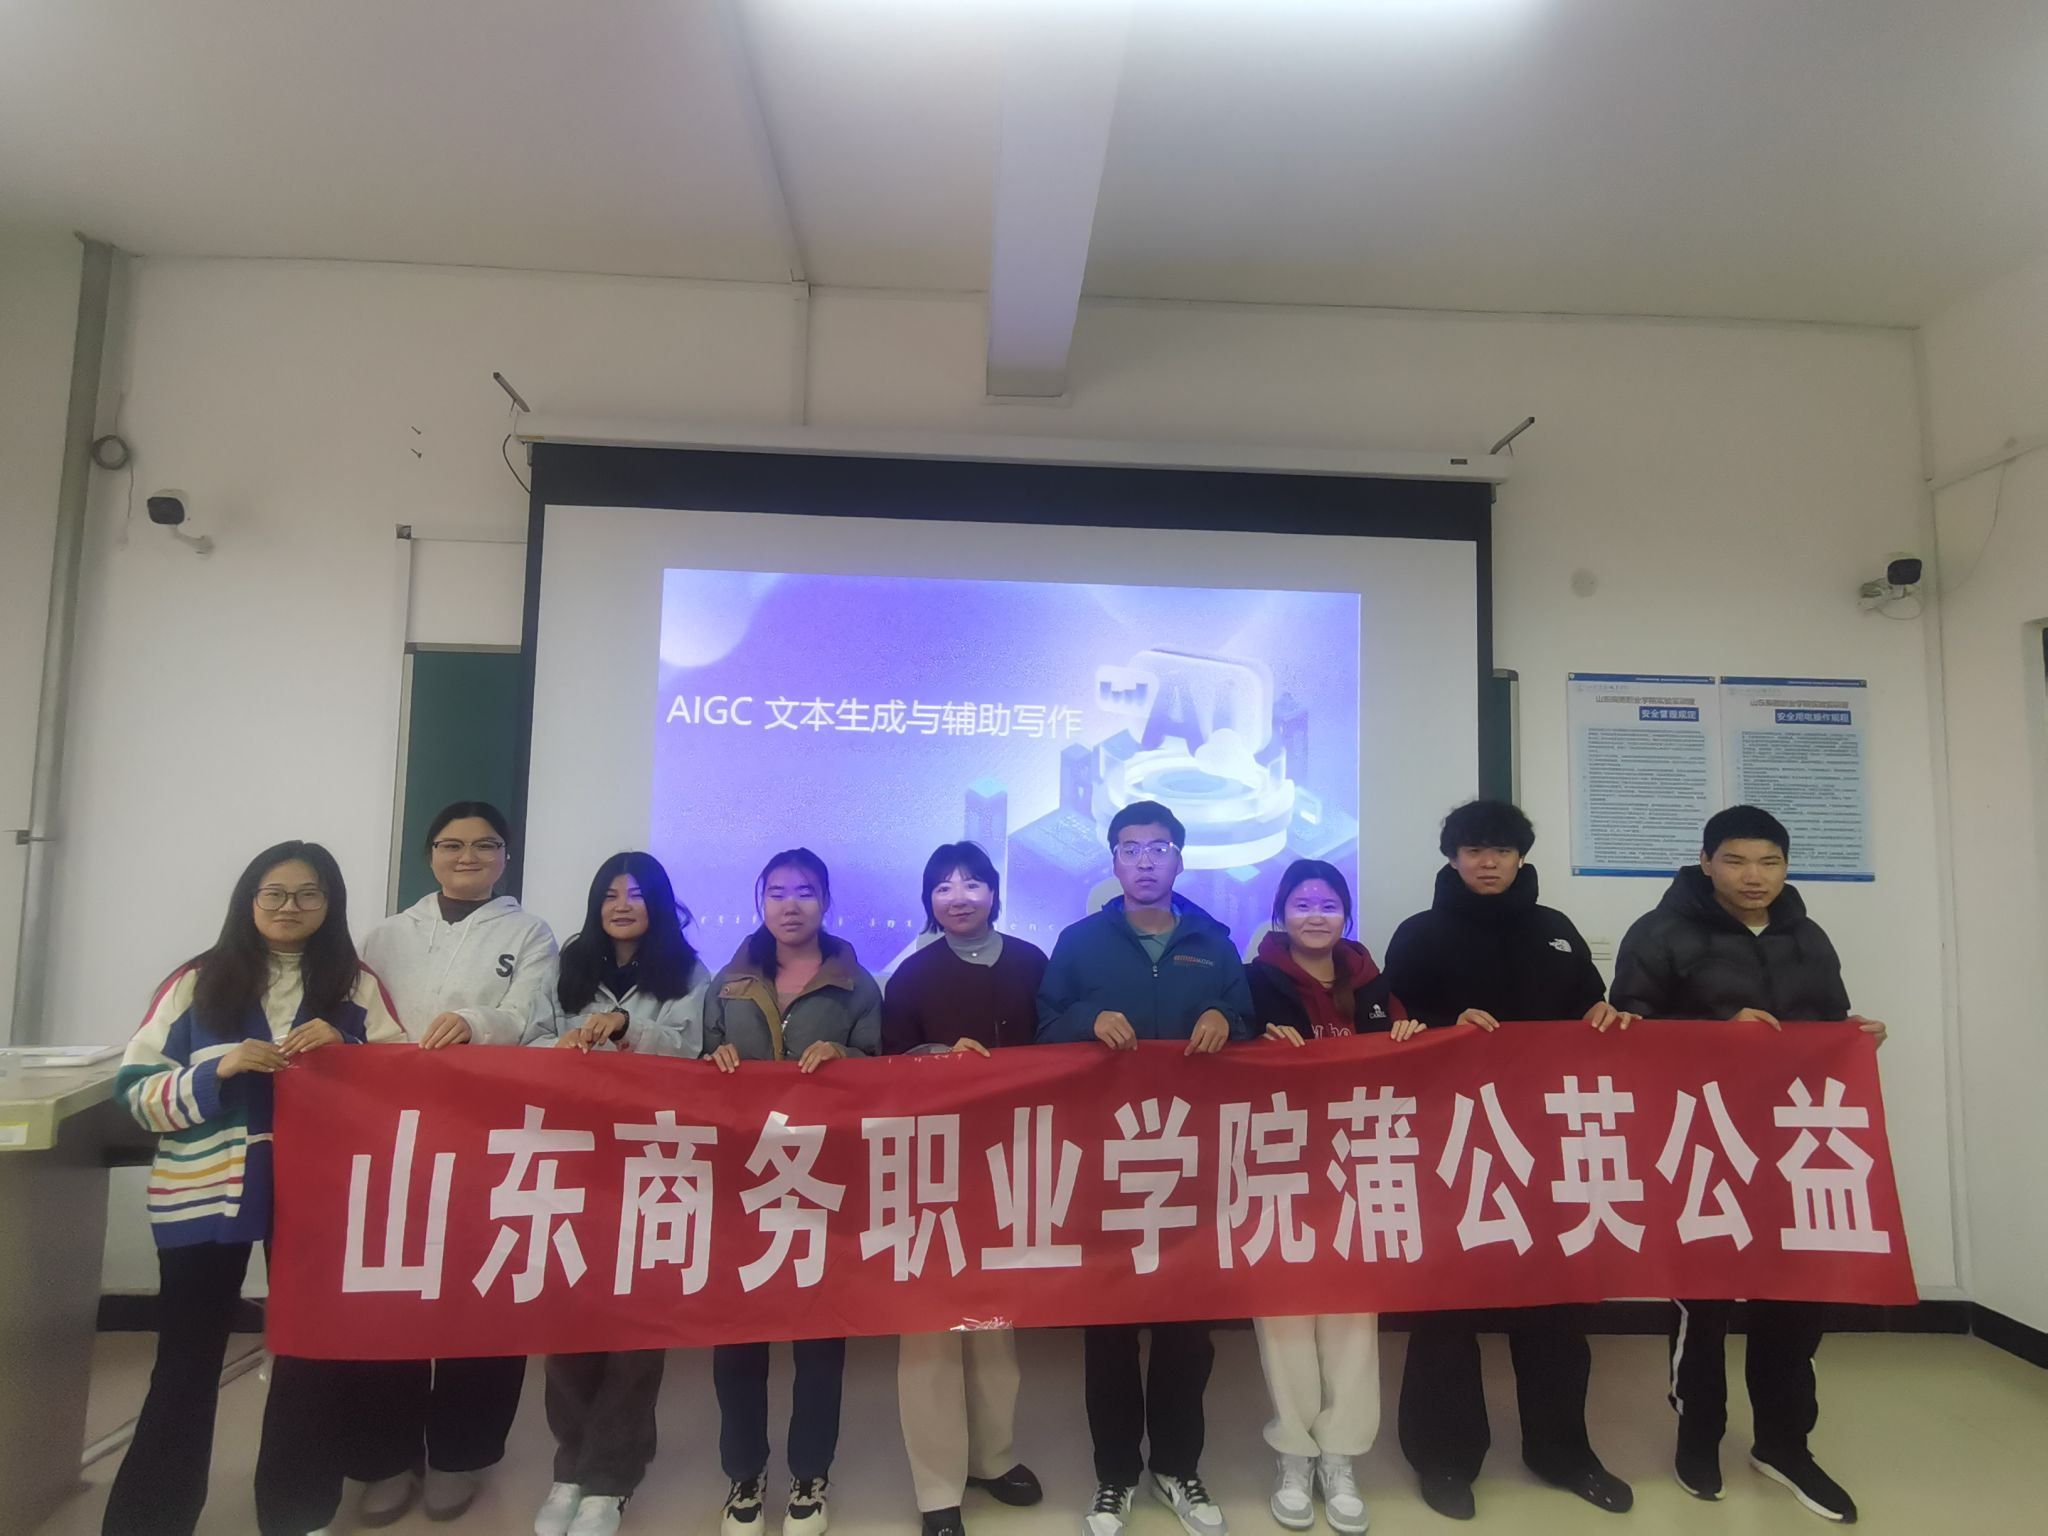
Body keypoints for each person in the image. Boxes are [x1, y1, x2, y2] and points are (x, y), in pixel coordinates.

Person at [103, 841, 403, 1536]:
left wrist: (351, 1054)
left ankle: (298, 1515)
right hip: (203, 1193)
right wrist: (219, 1071)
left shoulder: (355, 985)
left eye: (309, 894)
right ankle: (149, 1522)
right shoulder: (197, 981)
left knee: (307, 1355)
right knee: (185, 1361)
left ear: (330, 905)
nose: (290, 907)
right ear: (249, 900)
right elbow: (136, 1093)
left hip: (316, 1199)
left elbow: (404, 1084)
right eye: (275, 893)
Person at [1609, 805, 1886, 1525]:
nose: (1753, 876)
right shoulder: (1659, 932)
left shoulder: (1807, 935)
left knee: (1797, 1295)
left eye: (1769, 861)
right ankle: (1697, 1438)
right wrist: (1716, 1033)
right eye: (1735, 860)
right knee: (1705, 1299)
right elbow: (1627, 1034)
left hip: (1796, 1141)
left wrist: (1857, 1037)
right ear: (1706, 862)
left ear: (1786, 867)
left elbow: (1828, 1023)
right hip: (1701, 1139)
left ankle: (1785, 1445)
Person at [1382, 799, 1636, 1522]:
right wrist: (1443, 1028)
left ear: (1521, 856)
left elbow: (1591, 1009)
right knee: (1445, 1308)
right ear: (1453, 858)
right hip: (1450, 1143)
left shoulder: (1555, 929)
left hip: (1546, 1143)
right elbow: (1390, 1029)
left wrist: (1603, 1016)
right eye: (1473, 850)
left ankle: (1562, 1452)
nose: (1487, 861)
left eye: (1500, 849)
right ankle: (1444, 1458)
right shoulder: (1419, 934)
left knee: (1555, 1304)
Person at [1036, 800, 1252, 1536]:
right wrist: (1085, 1021)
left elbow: (1251, 1027)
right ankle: (1115, 1475)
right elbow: (1043, 1027)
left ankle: (1178, 1466)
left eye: (1159, 848)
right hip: (1108, 1160)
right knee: (1110, 1328)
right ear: (1113, 861)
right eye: (1131, 848)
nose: (1146, 861)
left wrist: (1228, 1019)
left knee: (1188, 1328)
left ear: (1180, 859)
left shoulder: (1215, 943)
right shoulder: (1079, 943)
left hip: (1193, 1162)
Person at [352, 800, 561, 1526]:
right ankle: (384, 1454)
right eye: (451, 844)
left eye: (484, 845)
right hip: (391, 1138)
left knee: (482, 1288)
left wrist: (476, 1022)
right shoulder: (384, 935)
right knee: (391, 1290)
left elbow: (534, 1019)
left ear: (506, 855)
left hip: (485, 1134)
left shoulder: (529, 932)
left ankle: (459, 1453)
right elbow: (357, 1024)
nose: (467, 856)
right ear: (430, 854)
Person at [523, 851, 711, 1536]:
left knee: (634, 1325)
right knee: (569, 1317)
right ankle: (569, 1467)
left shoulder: (688, 972)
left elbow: (695, 1051)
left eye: (636, 893)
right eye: (610, 894)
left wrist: (632, 1031)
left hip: (648, 1163)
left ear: (659, 902)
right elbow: (528, 1040)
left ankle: (611, 1479)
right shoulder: (566, 966)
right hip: (571, 1159)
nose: (622, 905)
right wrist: (563, 1045)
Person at [703, 848, 882, 1536]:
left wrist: (847, 1058)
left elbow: (884, 1073)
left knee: (819, 1340)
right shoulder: (727, 982)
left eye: (804, 891)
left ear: (825, 901)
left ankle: (810, 1473)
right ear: (761, 901)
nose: (790, 904)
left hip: (822, 1181)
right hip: (739, 1182)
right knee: (738, 1338)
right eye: (776, 892)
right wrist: (711, 1061)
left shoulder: (856, 985)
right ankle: (743, 1475)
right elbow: (692, 1070)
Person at [1245, 859, 1425, 1536]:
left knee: (1353, 1312)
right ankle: (1294, 1453)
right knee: (1286, 1312)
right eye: (1301, 903)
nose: (1315, 915)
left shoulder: (1374, 983)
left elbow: (1407, 1064)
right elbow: (1221, 1056)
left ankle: (1342, 1455)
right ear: (1279, 913)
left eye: (1327, 904)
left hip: (1358, 1166)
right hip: (1280, 1165)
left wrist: (1411, 1037)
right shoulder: (1252, 981)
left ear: (1346, 914)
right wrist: (1253, 1043)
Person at [880, 842, 1048, 1536]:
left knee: (992, 1325)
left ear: (994, 893)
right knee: (929, 1332)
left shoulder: (1033, 963)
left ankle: (993, 1458)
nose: (959, 896)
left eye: (973, 883)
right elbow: (885, 1067)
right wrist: (936, 1060)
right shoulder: (910, 973)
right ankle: (937, 1488)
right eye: (943, 886)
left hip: (1009, 1163)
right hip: (929, 1169)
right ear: (928, 899)